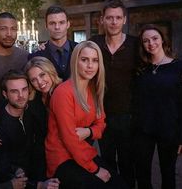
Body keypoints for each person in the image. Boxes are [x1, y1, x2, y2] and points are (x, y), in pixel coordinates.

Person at [45, 41, 128, 189]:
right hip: (62, 158)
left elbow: (101, 123)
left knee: (119, 184)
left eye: (95, 60)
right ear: (75, 62)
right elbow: (70, 139)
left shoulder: (94, 89)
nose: (90, 65)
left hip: (83, 151)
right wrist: (95, 169)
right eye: (84, 60)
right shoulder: (63, 93)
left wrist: (89, 131)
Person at [133, 24, 182, 189]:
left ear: (162, 40)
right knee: (142, 174)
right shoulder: (141, 68)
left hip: (169, 130)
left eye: (154, 38)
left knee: (168, 174)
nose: (151, 43)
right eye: (146, 41)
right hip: (144, 130)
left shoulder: (179, 67)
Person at [90, 0, 139, 188]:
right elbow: (75, 55)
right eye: (109, 18)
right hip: (102, 115)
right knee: (107, 161)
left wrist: (180, 74)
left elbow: (157, 62)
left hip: (129, 115)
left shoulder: (135, 44)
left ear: (124, 20)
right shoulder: (95, 43)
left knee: (128, 161)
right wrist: (42, 48)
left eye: (118, 17)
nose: (114, 22)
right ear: (102, 20)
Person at [0, 70, 60, 189]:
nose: (21, 95)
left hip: (39, 171)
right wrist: (38, 185)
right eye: (14, 91)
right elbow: (2, 168)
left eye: (24, 89)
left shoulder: (31, 111)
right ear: (5, 94)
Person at [24, 56, 62, 179]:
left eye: (42, 75)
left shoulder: (63, 92)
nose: (39, 82)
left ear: (51, 71)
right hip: (42, 153)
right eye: (34, 80)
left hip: (64, 152)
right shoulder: (33, 100)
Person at [28, 5, 77, 81]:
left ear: (68, 24)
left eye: (61, 22)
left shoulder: (80, 50)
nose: (57, 27)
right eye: (52, 23)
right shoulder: (36, 56)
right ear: (46, 26)